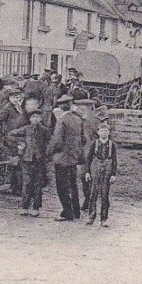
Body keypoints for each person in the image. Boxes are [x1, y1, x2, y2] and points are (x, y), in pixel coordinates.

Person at [7, 109, 51, 217]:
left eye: (37, 117)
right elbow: (10, 134)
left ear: (40, 119)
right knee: (26, 183)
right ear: (30, 119)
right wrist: (20, 143)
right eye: (33, 117)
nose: (35, 119)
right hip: (27, 159)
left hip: (39, 160)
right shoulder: (26, 129)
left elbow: (50, 142)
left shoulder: (44, 130)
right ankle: (24, 206)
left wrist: (46, 153)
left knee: (37, 184)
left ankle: (36, 207)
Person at [49, 93, 84, 221]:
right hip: (74, 157)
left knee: (62, 186)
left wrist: (49, 152)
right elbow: (83, 139)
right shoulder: (77, 119)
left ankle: (67, 212)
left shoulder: (62, 120)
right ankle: (76, 211)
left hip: (62, 158)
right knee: (73, 185)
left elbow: (57, 141)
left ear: (61, 107)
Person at [0, 87, 26, 194]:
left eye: (18, 97)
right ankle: (16, 189)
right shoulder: (7, 108)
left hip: (19, 137)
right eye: (14, 97)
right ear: (9, 98)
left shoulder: (18, 107)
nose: (16, 99)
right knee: (16, 162)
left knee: (19, 162)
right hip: (11, 139)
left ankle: (17, 187)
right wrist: (3, 135)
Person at [84, 122, 118, 227]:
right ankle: (91, 216)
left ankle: (104, 219)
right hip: (95, 167)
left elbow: (114, 160)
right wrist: (87, 172)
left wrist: (113, 174)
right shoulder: (94, 143)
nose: (104, 132)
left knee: (105, 194)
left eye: (106, 130)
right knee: (93, 192)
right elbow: (88, 159)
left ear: (109, 132)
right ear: (98, 132)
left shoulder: (112, 145)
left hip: (107, 168)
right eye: (102, 130)